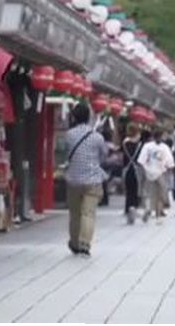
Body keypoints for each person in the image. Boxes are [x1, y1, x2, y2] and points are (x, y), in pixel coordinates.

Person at [63, 103, 109, 255]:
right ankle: (85, 243)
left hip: (73, 179)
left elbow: (65, 154)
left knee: (75, 213)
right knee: (88, 213)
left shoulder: (69, 135)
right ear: (89, 117)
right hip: (93, 180)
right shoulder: (97, 137)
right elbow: (104, 155)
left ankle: (74, 242)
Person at [138, 129, 175, 223]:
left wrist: (145, 169)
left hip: (148, 173)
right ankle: (158, 216)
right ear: (161, 137)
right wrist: (170, 170)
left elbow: (141, 161)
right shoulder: (164, 147)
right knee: (160, 195)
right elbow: (170, 162)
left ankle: (148, 209)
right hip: (160, 173)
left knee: (148, 193)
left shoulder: (147, 146)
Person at [121, 125, 144, 224]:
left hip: (126, 170)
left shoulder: (124, 143)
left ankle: (128, 209)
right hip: (137, 170)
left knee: (128, 191)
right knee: (135, 190)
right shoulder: (140, 145)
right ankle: (134, 208)